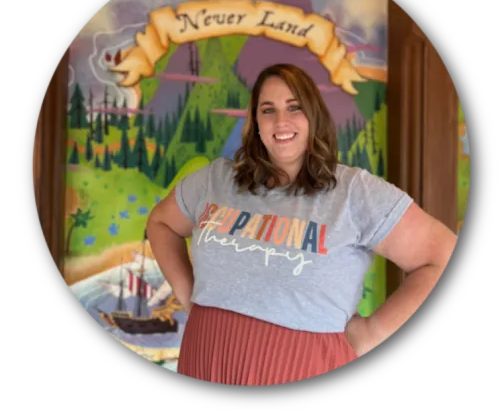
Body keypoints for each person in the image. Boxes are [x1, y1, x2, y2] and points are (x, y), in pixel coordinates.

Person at [146, 63, 457, 385]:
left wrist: (373, 331)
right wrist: (189, 295)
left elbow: (441, 255)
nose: (281, 121)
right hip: (206, 358)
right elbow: (161, 223)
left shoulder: (356, 192)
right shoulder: (214, 180)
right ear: (255, 122)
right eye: (268, 110)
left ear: (314, 116)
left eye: (294, 108)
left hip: (306, 364)